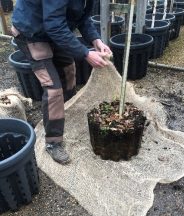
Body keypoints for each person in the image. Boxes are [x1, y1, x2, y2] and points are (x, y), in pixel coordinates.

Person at [11, 0, 112, 164]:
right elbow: (54, 26)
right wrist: (86, 54)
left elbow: (83, 17)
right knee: (53, 88)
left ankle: (66, 112)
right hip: (31, 32)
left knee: (68, 69)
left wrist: (96, 40)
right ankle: (53, 142)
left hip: (54, 28)